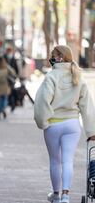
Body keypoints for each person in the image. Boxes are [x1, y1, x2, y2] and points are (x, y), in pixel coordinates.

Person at [34, 45, 95, 203]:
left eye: (53, 55)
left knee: (55, 161)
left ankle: (55, 195)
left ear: (59, 57)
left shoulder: (51, 77)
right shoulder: (78, 77)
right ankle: (66, 196)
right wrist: (91, 131)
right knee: (68, 160)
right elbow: (87, 106)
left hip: (53, 125)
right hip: (73, 125)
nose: (51, 58)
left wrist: (43, 122)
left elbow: (42, 103)